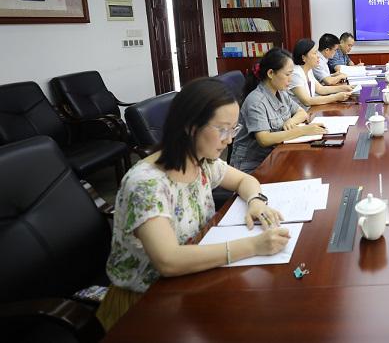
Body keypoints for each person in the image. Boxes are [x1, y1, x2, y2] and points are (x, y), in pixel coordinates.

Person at [96, 78, 291, 331]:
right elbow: (168, 261)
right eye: (222, 130)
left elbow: (245, 180)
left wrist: (255, 202)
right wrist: (253, 246)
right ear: (190, 127)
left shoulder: (201, 161)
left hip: (192, 278)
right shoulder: (146, 185)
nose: (229, 140)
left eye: (233, 129)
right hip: (147, 301)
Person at [229, 48, 326, 172]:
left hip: (275, 154)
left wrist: (290, 122)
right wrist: (303, 130)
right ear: (271, 73)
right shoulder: (256, 101)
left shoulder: (281, 92)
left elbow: (302, 113)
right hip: (252, 165)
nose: (290, 79)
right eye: (287, 74)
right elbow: (264, 139)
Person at [289, 38, 354, 109]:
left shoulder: (308, 70)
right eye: (314, 53)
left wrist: (343, 88)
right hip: (301, 113)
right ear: (304, 57)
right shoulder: (295, 74)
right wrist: (336, 97)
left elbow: (320, 89)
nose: (318, 56)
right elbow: (307, 101)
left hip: (310, 110)